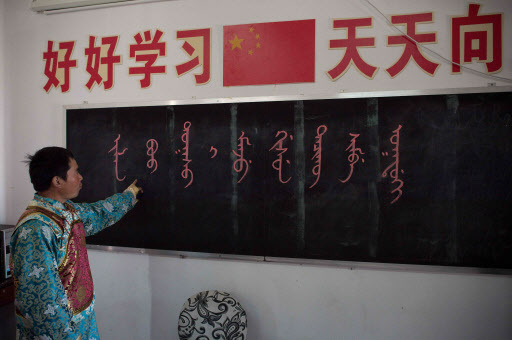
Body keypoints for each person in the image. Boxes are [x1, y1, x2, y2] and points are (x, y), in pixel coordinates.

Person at [10, 146, 142, 339]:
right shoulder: (36, 230)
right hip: (62, 332)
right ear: (57, 181)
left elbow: (98, 213)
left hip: (81, 322)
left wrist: (130, 196)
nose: (81, 177)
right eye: (76, 172)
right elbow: (44, 303)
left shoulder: (66, 211)